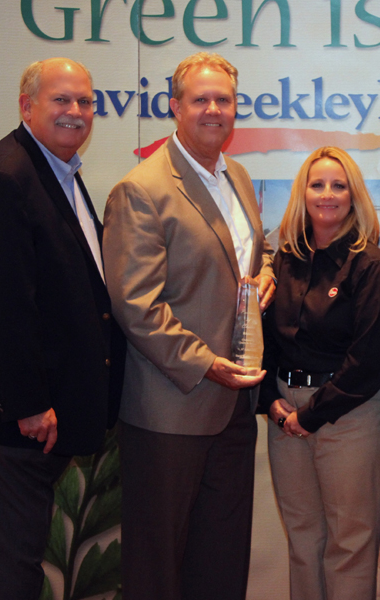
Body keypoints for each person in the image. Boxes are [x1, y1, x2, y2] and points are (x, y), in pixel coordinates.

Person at [0, 58, 124, 599]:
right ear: (26, 106)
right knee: (4, 577)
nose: (75, 112)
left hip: (30, 429)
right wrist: (28, 404)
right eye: (61, 100)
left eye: (85, 102)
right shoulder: (5, 178)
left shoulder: (57, 172)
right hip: (6, 426)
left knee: (14, 569)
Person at [102, 52, 275, 600]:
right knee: (158, 569)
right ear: (174, 107)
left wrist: (266, 274)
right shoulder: (143, 189)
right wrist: (206, 365)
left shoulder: (238, 175)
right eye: (200, 99)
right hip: (170, 412)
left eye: (223, 100)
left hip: (233, 408)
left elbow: (254, 249)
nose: (214, 110)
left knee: (221, 563)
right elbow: (136, 305)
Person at [260, 146, 380, 600]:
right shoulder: (284, 261)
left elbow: (369, 360)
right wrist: (272, 404)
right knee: (303, 541)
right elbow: (265, 341)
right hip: (285, 414)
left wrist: (311, 416)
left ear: (355, 196)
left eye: (339, 185)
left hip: (348, 416)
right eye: (317, 184)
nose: (327, 194)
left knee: (349, 544)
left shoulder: (371, 265)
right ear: (302, 193)